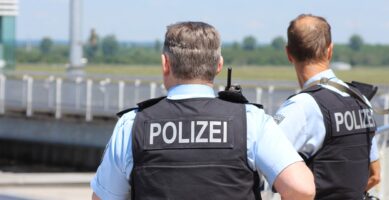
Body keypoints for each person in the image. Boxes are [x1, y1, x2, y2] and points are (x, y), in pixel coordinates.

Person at [91, 21, 315, 200]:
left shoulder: (133, 125)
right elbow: (302, 189)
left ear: (165, 63)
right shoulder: (250, 122)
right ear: (219, 65)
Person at [275, 14, 381, 199]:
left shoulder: (301, 107)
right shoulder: (361, 98)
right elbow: (375, 175)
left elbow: (260, 167)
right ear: (330, 50)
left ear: (289, 54)